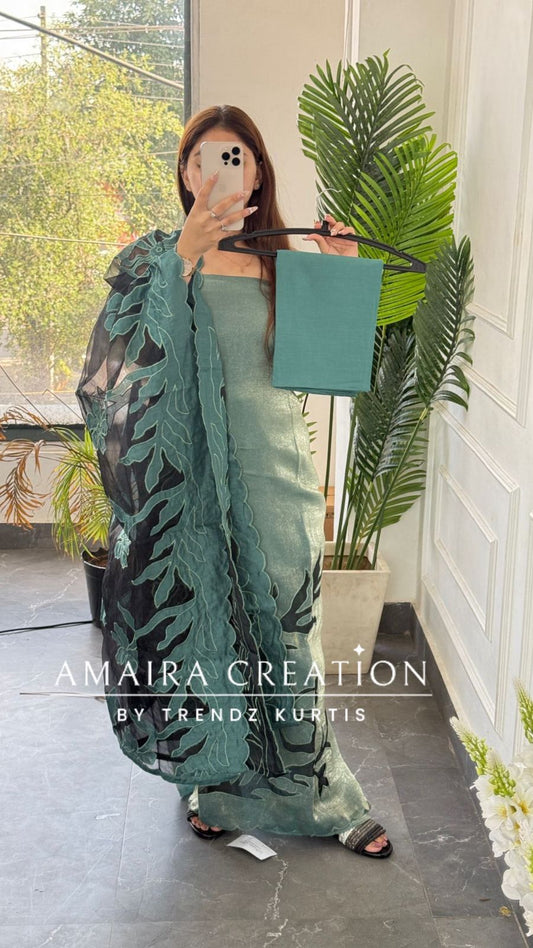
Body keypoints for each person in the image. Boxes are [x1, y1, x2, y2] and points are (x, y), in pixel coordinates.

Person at [75, 104, 392, 859]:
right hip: (188, 489)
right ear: (186, 174)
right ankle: (213, 787)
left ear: (256, 173)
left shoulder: (284, 261)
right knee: (204, 639)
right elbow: (112, 373)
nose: (218, 171)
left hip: (276, 475)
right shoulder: (153, 261)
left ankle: (323, 796)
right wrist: (181, 262)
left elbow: (327, 373)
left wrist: (339, 273)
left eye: (234, 157)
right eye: (203, 159)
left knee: (291, 637)